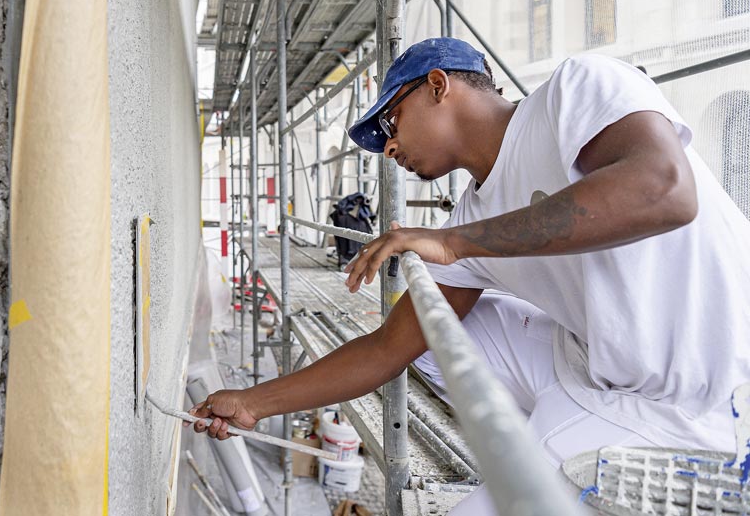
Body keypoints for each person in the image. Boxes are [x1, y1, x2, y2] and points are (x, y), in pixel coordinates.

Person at [187, 37, 750, 514]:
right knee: (430, 337)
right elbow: (388, 349)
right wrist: (254, 402)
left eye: (390, 120)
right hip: (601, 360)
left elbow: (664, 190)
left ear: (438, 85)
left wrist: (454, 244)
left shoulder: (576, 88)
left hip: (701, 394)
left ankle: (583, 436)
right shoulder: (475, 213)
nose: (387, 146)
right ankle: (566, 413)